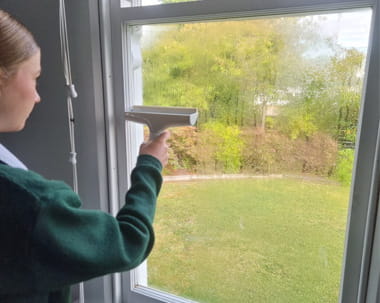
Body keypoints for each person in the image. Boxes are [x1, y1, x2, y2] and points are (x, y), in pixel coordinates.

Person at [0, 9, 170, 303]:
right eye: (36, 78)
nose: (38, 96)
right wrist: (150, 166)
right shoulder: (30, 203)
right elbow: (129, 241)